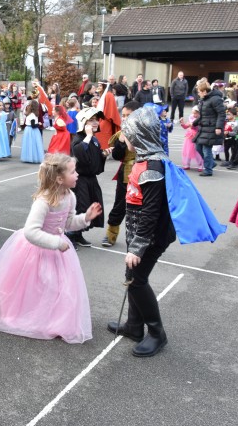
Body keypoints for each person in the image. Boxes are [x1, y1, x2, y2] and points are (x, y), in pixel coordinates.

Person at [0, 153, 102, 343]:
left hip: (58, 248)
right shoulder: (44, 201)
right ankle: (33, 314)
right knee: (37, 284)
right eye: (73, 171)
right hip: (36, 249)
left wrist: (85, 218)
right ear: (59, 178)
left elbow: (68, 222)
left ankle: (55, 318)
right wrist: (55, 243)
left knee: (58, 285)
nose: (77, 174)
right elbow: (31, 231)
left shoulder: (70, 196)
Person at [106, 107, 177, 357]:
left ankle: (157, 333)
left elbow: (151, 212)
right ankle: (134, 326)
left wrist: (137, 247)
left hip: (150, 236)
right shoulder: (144, 159)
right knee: (131, 276)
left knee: (137, 281)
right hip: (138, 232)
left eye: (127, 135)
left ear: (139, 137)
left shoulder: (153, 166)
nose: (123, 139)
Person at [66, 107, 109, 249]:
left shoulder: (94, 140)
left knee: (91, 204)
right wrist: (89, 136)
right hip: (80, 180)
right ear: (83, 122)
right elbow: (80, 155)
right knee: (81, 207)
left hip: (91, 179)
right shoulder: (78, 139)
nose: (95, 123)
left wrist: (103, 155)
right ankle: (70, 236)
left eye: (96, 120)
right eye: (91, 120)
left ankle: (78, 235)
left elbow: (93, 158)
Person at [102, 101, 142, 248]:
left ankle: (142, 238)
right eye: (123, 115)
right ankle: (111, 234)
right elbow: (118, 155)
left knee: (144, 207)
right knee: (120, 204)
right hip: (125, 173)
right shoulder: (121, 133)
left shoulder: (147, 131)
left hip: (144, 173)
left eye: (128, 115)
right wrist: (120, 141)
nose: (124, 118)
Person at [195, 80, 225, 176]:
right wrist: (194, 123)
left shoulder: (215, 99)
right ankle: (211, 163)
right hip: (204, 127)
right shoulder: (204, 100)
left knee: (206, 150)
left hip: (212, 127)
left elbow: (221, 113)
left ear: (204, 91)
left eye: (199, 92)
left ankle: (208, 170)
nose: (198, 94)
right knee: (198, 147)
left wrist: (218, 127)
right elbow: (203, 115)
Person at [179, 105, 204, 171]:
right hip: (189, 136)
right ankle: (186, 164)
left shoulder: (201, 119)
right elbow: (185, 127)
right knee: (187, 151)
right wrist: (182, 123)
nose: (194, 115)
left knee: (197, 151)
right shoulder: (191, 118)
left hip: (197, 136)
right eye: (193, 113)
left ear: (199, 113)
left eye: (196, 113)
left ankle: (200, 165)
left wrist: (192, 125)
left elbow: (196, 127)